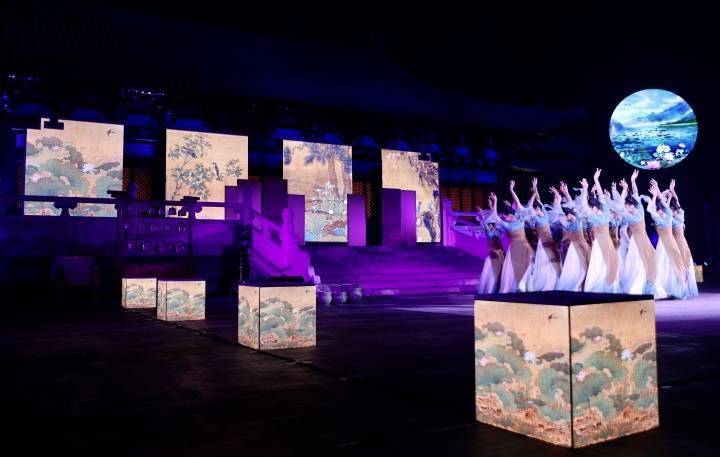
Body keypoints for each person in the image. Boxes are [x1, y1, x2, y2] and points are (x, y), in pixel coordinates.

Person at [486, 180, 535, 293]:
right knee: (511, 270)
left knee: (526, 267)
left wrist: (511, 190)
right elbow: (494, 215)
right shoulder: (506, 225)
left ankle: (523, 286)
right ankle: (513, 287)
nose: (505, 218)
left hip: (524, 247)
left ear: (512, 215)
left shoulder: (520, 219)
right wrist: (495, 201)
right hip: (513, 250)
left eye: (506, 216)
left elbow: (518, 202)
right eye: (504, 217)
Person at [618, 170, 657, 296]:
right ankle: (638, 285)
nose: (625, 208)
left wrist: (633, 181)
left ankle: (645, 285)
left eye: (627, 206)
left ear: (631, 206)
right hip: (636, 241)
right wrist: (631, 182)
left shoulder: (638, 211)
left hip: (642, 240)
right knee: (637, 263)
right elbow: (625, 202)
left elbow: (635, 193)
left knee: (645, 262)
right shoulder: (632, 215)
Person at [580, 169, 621, 293]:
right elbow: (584, 205)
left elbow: (601, 195)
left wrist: (596, 180)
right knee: (598, 265)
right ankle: (596, 287)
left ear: (595, 207)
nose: (589, 209)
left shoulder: (605, 211)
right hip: (598, 244)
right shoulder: (593, 216)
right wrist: (585, 189)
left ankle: (610, 286)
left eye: (591, 207)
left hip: (607, 242)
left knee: (609, 263)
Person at [647, 179, 687, 299]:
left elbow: (671, 203)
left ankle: (678, 289)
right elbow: (651, 209)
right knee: (660, 265)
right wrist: (655, 194)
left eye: (660, 209)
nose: (659, 211)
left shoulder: (669, 215)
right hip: (662, 244)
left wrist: (662, 191)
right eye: (658, 210)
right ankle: (661, 289)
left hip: (672, 243)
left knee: (674, 265)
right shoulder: (657, 218)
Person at [551, 183, 590, 291]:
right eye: (567, 215)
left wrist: (566, 192)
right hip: (570, 248)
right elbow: (557, 210)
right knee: (572, 268)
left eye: (570, 214)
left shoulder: (578, 218)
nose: (569, 216)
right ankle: (572, 285)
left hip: (581, 247)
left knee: (583, 267)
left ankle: (581, 285)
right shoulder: (564, 221)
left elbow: (573, 204)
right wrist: (557, 197)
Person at [668, 179, 699, 297]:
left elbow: (677, 203)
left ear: (675, 210)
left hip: (681, 243)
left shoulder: (679, 215)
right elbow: (676, 201)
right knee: (676, 266)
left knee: (684, 266)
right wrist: (672, 190)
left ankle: (683, 290)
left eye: (672, 210)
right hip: (676, 242)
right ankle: (679, 289)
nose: (671, 212)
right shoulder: (675, 215)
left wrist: (672, 191)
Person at [529, 177, 561, 291]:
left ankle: (554, 280)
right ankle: (544, 281)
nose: (533, 211)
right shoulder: (536, 218)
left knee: (553, 260)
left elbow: (538, 199)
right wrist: (534, 193)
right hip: (542, 243)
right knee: (544, 262)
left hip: (550, 241)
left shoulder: (545, 213)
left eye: (535, 209)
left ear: (538, 209)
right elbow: (533, 204)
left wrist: (535, 188)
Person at [476, 193, 506, 294]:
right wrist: (494, 201)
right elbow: (494, 213)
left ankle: (499, 286)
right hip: (493, 252)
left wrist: (491, 204)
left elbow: (494, 214)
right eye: (478, 212)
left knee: (501, 269)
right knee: (493, 270)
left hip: (500, 251)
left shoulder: (496, 230)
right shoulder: (485, 226)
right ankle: (492, 287)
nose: (491, 226)